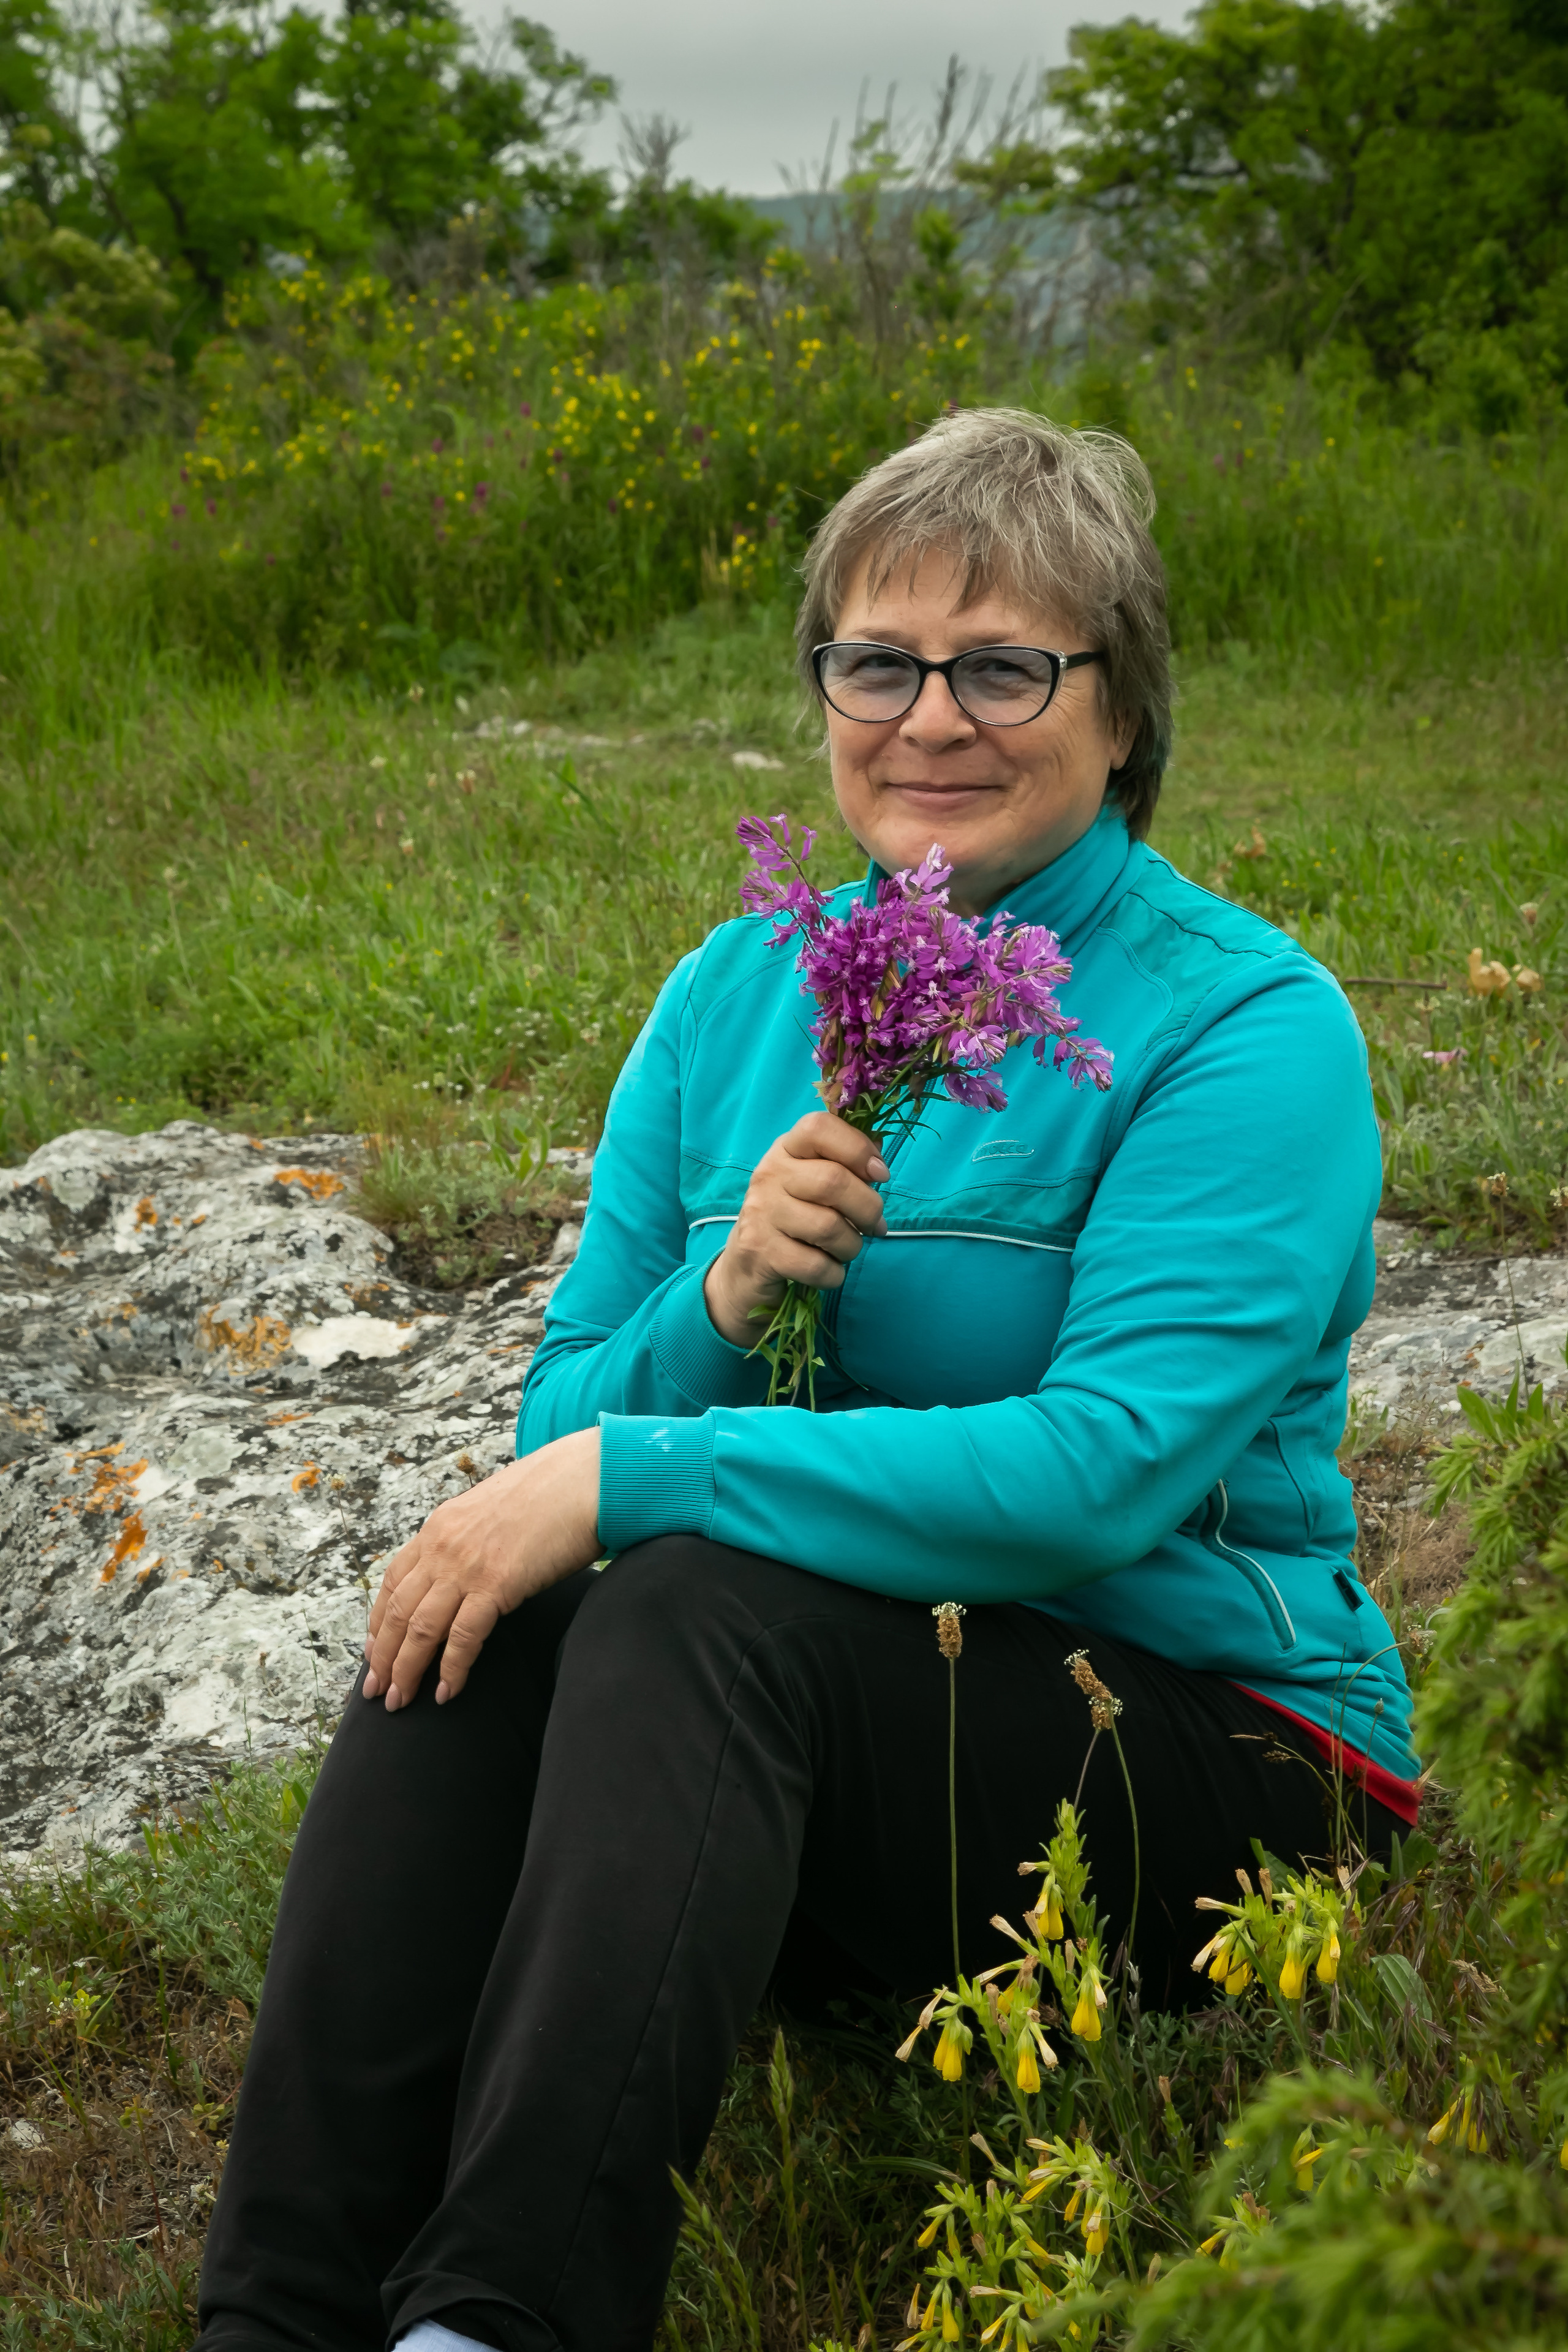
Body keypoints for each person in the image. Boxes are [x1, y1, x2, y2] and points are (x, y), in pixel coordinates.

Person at [194, 408, 1417, 2352]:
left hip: (1209, 1742)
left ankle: (497, 2323)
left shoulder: (1244, 1023)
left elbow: (1102, 1478)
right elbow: (560, 1429)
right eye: (877, 660)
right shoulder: (735, 991)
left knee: (680, 1589)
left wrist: (638, 1474)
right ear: (825, 692)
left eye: (1006, 664)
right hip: (831, 1728)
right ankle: (279, 2313)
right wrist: (723, 1288)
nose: (932, 716)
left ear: (1122, 714)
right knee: (479, 1619)